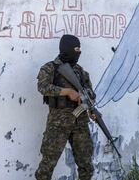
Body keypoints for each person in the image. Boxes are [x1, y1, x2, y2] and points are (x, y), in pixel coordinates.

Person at [35, 34, 95, 180]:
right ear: (67, 49)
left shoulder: (80, 71)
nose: (79, 52)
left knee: (86, 165)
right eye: (76, 49)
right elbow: (42, 87)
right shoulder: (50, 68)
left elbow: (91, 93)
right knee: (47, 166)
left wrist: (90, 107)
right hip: (58, 124)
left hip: (80, 123)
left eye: (80, 49)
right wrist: (67, 92)